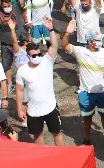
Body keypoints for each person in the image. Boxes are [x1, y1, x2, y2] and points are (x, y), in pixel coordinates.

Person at [14, 17, 65, 146]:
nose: (37, 57)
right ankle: (42, 160)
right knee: (38, 135)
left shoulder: (47, 61)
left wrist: (51, 29)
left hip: (50, 107)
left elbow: (54, 45)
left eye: (39, 54)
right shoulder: (22, 71)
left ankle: (65, 158)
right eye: (34, 55)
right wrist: (20, 109)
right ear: (28, 56)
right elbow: (19, 91)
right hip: (33, 111)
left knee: (57, 133)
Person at [63, 22, 104, 149]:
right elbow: (65, 46)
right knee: (87, 119)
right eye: (98, 40)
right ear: (90, 42)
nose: (100, 41)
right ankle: (86, 139)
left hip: (103, 91)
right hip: (86, 92)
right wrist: (68, 33)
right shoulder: (80, 51)